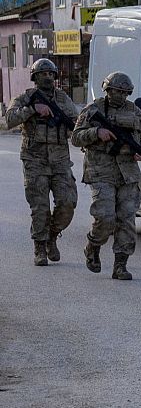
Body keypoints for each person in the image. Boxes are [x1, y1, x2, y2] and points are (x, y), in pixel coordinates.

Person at [72, 72, 141, 280]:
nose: (121, 96)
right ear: (108, 90)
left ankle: (121, 265)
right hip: (100, 171)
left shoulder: (136, 112)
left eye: (125, 92)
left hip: (128, 173)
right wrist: (96, 133)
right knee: (105, 217)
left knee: (127, 219)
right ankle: (93, 246)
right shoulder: (93, 110)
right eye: (116, 91)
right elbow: (76, 138)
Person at [5, 58, 80, 266]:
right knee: (39, 208)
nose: (47, 77)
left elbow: (76, 123)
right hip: (34, 160)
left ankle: (52, 236)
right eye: (42, 74)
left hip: (60, 160)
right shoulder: (26, 98)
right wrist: (32, 110)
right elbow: (9, 119)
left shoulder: (63, 99)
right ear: (35, 77)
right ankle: (40, 246)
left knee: (67, 203)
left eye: (50, 74)